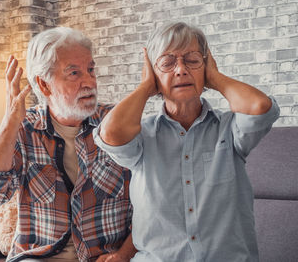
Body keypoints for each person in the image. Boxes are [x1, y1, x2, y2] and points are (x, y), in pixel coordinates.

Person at [94, 22, 280, 261]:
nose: (180, 69)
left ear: (206, 66)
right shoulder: (143, 136)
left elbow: (259, 107)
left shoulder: (229, 129)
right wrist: (145, 86)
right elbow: (111, 133)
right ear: (153, 74)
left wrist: (215, 77)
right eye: (167, 62)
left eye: (192, 60)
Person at [0, 27, 135, 262]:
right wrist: (9, 123)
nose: (89, 81)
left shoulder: (116, 124)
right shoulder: (24, 128)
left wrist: (123, 255)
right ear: (44, 85)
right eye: (74, 73)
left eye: (90, 69)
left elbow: (150, 205)